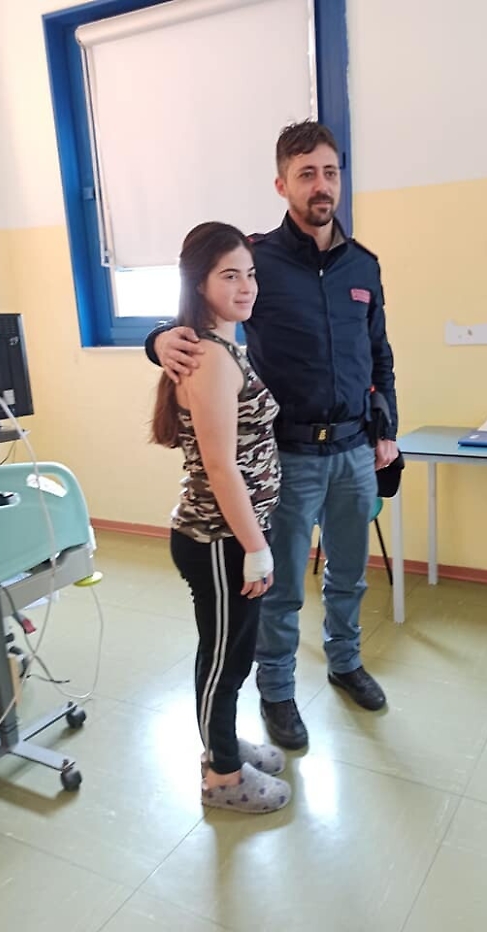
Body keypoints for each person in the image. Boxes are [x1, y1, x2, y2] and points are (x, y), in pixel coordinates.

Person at [146, 122, 399, 750]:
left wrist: (386, 428)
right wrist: (156, 340)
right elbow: (200, 302)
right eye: (307, 173)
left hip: (354, 451)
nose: (321, 185)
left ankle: (345, 662)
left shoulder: (363, 266)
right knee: (279, 586)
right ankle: (278, 692)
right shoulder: (259, 260)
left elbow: (379, 353)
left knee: (349, 575)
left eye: (330, 172)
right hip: (289, 455)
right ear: (282, 184)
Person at [151, 221, 291, 812]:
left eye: (250, 274)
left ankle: (224, 742)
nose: (246, 286)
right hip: (218, 539)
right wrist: (255, 547)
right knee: (223, 660)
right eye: (229, 275)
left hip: (233, 535)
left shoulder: (224, 346)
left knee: (233, 654)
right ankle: (222, 778)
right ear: (199, 284)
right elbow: (219, 465)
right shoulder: (208, 357)